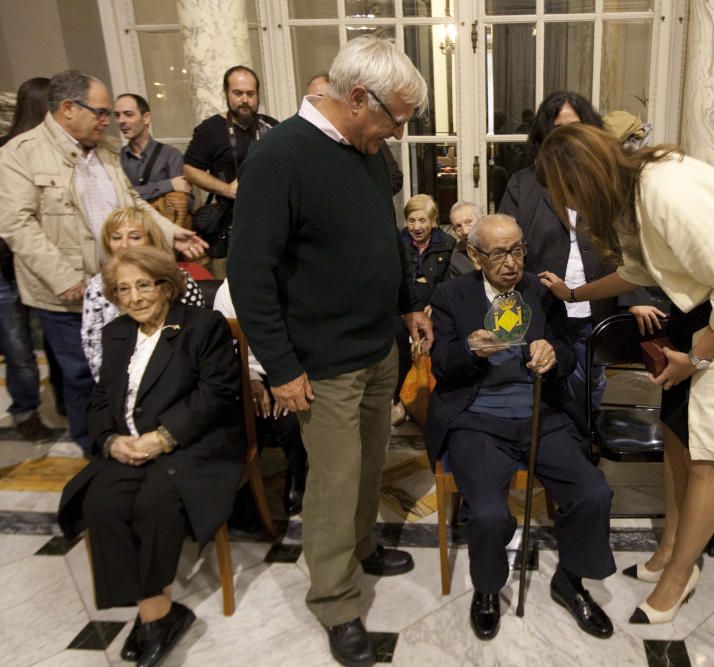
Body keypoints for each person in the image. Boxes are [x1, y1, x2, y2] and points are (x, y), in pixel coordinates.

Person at [535, 123, 714, 626]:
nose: (565, 207)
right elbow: (641, 271)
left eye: (565, 195)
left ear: (583, 180)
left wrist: (697, 358)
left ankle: (680, 575)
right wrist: (574, 295)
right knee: (678, 435)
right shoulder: (629, 195)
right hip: (705, 312)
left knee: (709, 455)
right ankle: (668, 550)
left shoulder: (666, 192)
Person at [227, 37, 432, 667]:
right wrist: (281, 367)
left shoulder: (365, 150)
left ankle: (365, 544)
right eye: (395, 119)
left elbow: (387, 239)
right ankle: (338, 602)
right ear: (359, 99)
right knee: (334, 486)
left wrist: (407, 301)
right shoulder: (280, 157)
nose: (398, 133)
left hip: (378, 347)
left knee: (371, 465)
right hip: (323, 363)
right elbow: (250, 272)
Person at [425, 213, 615, 641]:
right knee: (490, 514)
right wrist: (471, 351)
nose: (511, 262)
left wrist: (554, 353)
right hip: (477, 419)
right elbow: (442, 365)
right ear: (474, 255)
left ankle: (571, 579)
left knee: (594, 493)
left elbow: (567, 352)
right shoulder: (452, 295)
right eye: (497, 253)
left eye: (517, 250)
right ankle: (488, 589)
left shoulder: (541, 292)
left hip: (539, 414)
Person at [0, 69, 206, 453]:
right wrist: (63, 277)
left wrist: (171, 232)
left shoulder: (107, 149)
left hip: (119, 284)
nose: (107, 121)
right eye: (100, 112)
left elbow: (135, 205)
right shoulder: (20, 154)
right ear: (67, 109)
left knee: (123, 370)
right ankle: (95, 449)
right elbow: (17, 225)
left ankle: (130, 439)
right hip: (67, 292)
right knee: (82, 375)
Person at [57, 246, 243, 667]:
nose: (135, 297)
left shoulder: (201, 326)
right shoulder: (116, 333)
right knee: (101, 501)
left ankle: (155, 619)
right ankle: (158, 613)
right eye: (123, 290)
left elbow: (216, 394)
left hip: (194, 445)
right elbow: (102, 398)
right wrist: (109, 440)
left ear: (166, 284)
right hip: (129, 445)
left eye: (144, 285)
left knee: (154, 500)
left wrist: (163, 438)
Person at [499, 91, 617, 416]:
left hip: (596, 302)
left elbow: (629, 247)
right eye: (557, 127)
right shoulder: (523, 184)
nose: (565, 135)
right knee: (545, 385)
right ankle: (554, 446)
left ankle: (582, 441)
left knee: (590, 381)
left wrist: (637, 298)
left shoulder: (606, 182)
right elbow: (505, 247)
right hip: (543, 305)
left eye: (574, 125)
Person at [213, 279, 308, 515]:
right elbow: (223, 345)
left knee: (293, 421)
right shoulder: (229, 288)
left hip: (296, 368)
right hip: (246, 369)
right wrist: (251, 378)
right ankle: (246, 489)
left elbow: (312, 340)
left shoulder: (302, 281)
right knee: (242, 416)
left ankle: (297, 474)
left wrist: (287, 379)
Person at [81, 207, 206, 381]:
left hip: (178, 380)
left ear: (151, 240)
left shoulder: (180, 279)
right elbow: (93, 345)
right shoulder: (97, 286)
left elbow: (197, 339)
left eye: (134, 237)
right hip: (119, 382)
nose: (124, 244)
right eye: (116, 237)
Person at [0, 77, 54, 442]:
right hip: (7, 268)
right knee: (18, 344)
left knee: (51, 338)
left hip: (42, 265)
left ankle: (60, 401)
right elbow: (14, 222)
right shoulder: (10, 154)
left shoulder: (52, 154)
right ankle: (25, 410)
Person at [183, 66, 277, 259]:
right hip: (231, 224)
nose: (245, 100)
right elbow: (189, 169)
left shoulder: (271, 127)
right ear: (226, 93)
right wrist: (226, 189)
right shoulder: (210, 129)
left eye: (250, 94)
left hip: (270, 219)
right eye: (238, 93)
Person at [393, 194, 454, 424]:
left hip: (432, 306)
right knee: (397, 337)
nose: (417, 227)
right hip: (404, 306)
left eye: (422, 221)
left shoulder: (447, 245)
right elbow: (398, 280)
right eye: (411, 221)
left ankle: (432, 397)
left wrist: (434, 304)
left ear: (434, 221)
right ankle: (400, 398)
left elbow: (447, 282)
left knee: (439, 334)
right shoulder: (397, 244)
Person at [306, 72, 402, 195]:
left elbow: (395, 177)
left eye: (320, 98)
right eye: (310, 101)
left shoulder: (365, 137)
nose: (315, 107)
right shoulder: (297, 144)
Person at [113, 93, 193, 224]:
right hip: (131, 232)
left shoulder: (171, 154)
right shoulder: (116, 159)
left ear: (146, 118)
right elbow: (119, 198)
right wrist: (168, 185)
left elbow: (186, 201)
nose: (121, 121)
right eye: (117, 115)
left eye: (128, 114)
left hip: (166, 233)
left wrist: (137, 195)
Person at [447, 201, 482, 277]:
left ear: (481, 220)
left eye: (468, 222)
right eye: (458, 226)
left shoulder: (500, 242)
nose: (465, 232)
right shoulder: (457, 257)